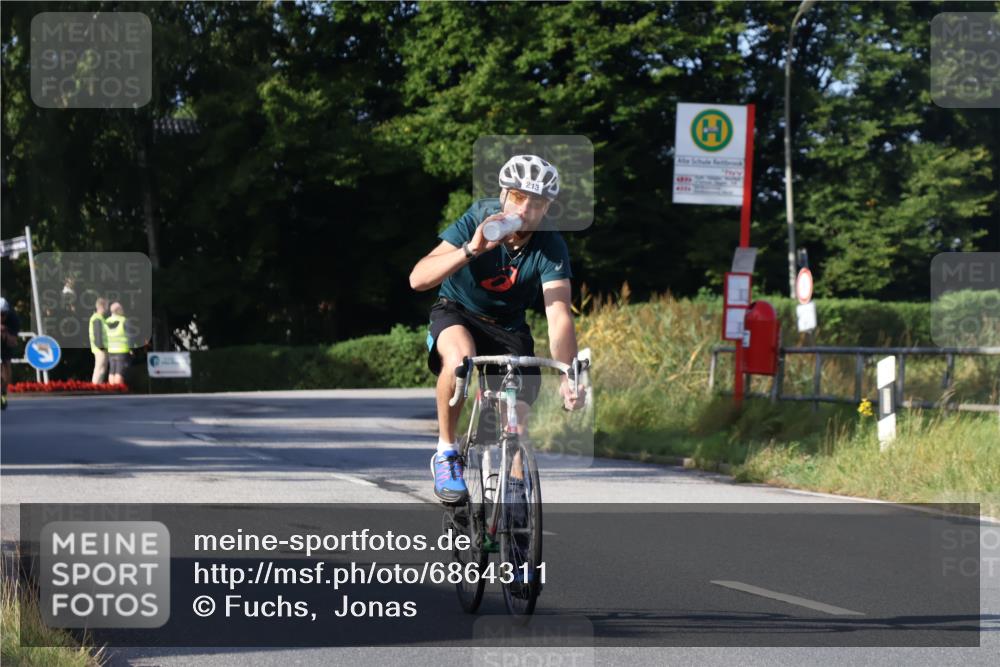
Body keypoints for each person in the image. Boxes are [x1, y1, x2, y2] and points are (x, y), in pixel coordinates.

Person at [409, 155, 584, 504]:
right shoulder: (478, 217)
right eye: (518, 197)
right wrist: (471, 249)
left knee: (517, 408)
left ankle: (515, 488)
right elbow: (418, 279)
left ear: (548, 208)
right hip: (458, 312)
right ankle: (446, 453)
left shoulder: (550, 245)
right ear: (503, 194)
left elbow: (558, 314)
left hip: (508, 326)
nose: (525, 209)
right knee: (459, 360)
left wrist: (568, 373)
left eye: (536, 202)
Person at [1, 297, 20, 410]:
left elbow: (13, 342)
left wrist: (5, 332)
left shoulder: (13, 319)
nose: (0, 317)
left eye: (3, 314)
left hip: (5, 345)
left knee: (6, 372)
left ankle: (3, 394)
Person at [105, 302, 131, 386]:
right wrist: (131, 348)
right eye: (121, 309)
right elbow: (129, 336)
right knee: (119, 371)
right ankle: (118, 390)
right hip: (122, 349)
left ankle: (111, 390)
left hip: (111, 350)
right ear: (118, 310)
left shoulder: (106, 321)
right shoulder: (124, 320)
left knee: (112, 371)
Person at [89, 298, 109, 384]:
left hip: (101, 348)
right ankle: (95, 387)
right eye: (106, 306)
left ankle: (97, 386)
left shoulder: (99, 318)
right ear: (102, 306)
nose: (107, 309)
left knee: (101, 369)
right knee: (99, 369)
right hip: (100, 348)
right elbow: (97, 334)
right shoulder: (97, 318)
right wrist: (101, 347)